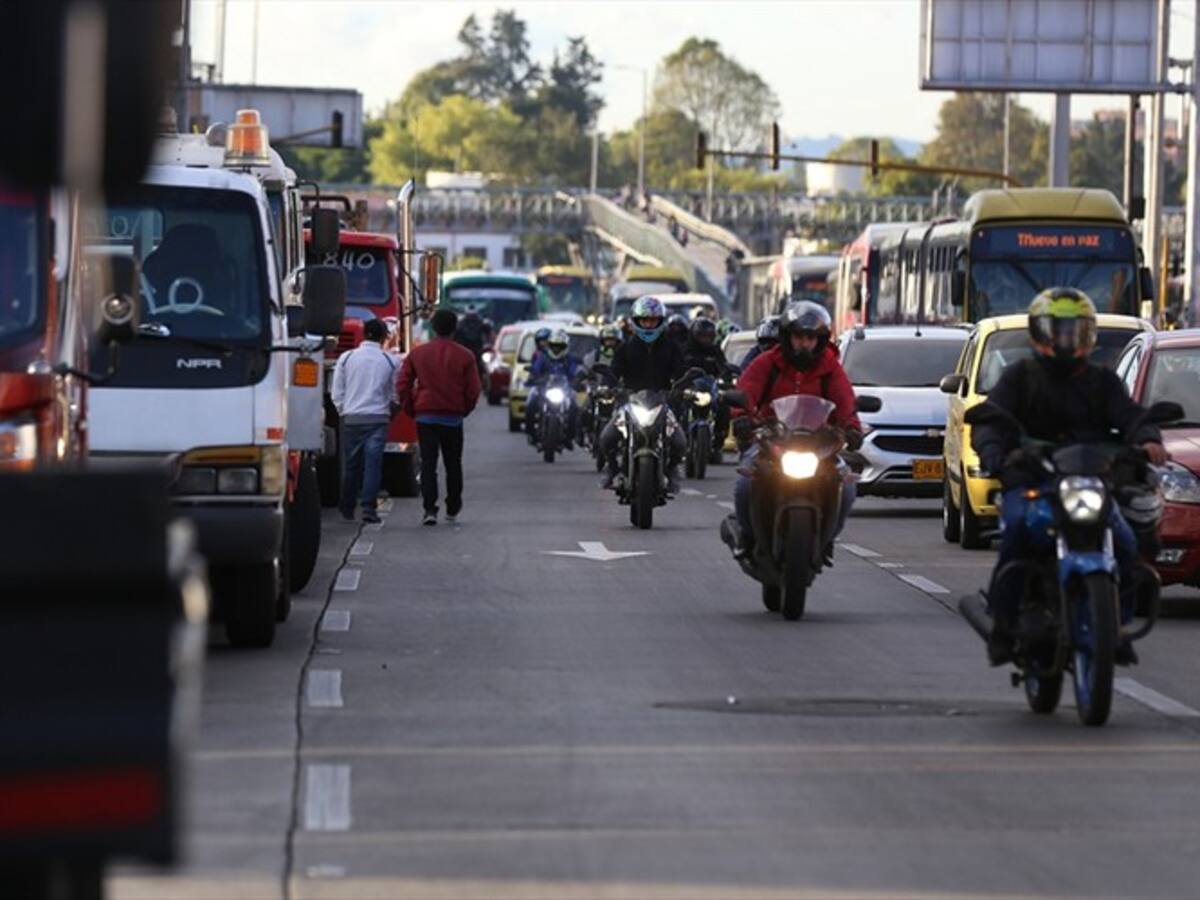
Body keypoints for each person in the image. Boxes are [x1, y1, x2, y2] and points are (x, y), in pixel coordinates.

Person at [971, 288, 1169, 665]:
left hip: (1088, 480)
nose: (1066, 340)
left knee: (1127, 543)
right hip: (1035, 478)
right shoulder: (1019, 377)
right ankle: (1003, 624)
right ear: (1039, 333)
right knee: (1016, 531)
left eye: (1074, 332)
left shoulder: (1102, 381)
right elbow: (992, 418)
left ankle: (1117, 624)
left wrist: (1147, 440)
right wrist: (995, 451)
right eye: (1058, 331)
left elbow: (1130, 416)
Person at [732, 301, 862, 560]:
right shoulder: (766, 363)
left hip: (819, 444)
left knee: (846, 489)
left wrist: (852, 429)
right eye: (799, 337)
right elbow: (745, 393)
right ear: (787, 337)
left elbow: (846, 402)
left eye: (811, 338)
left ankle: (826, 541)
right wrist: (742, 418)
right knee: (745, 485)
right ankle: (747, 537)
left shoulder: (830, 368)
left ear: (821, 340)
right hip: (771, 440)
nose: (805, 343)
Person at [397, 308, 482, 526]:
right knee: (453, 464)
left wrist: (411, 408)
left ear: (433, 328)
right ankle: (453, 506)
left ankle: (429, 509)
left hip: (425, 417)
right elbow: (473, 390)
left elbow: (403, 385)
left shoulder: (417, 354)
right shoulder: (465, 355)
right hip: (453, 418)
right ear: (455, 328)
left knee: (428, 465)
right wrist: (463, 409)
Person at [599, 296, 688, 492]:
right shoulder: (626, 347)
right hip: (630, 402)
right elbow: (614, 371)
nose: (648, 325)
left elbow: (681, 372)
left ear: (660, 321)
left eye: (653, 320)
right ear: (636, 321)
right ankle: (613, 469)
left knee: (680, 442)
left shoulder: (671, 347)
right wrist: (607, 386)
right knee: (607, 437)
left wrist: (683, 388)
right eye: (644, 320)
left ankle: (672, 470)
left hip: (661, 402)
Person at [331, 318, 398, 524]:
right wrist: (389, 411)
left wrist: (344, 410)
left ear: (363, 334)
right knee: (373, 464)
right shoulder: (391, 361)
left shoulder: (346, 357)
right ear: (383, 337)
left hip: (352, 418)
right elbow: (395, 394)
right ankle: (369, 508)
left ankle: (347, 507)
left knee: (351, 465)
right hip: (378, 418)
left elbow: (337, 392)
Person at [524, 329, 582, 444]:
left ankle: (570, 437)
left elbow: (574, 373)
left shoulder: (569, 359)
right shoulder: (543, 357)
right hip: (544, 389)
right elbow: (535, 369)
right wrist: (533, 377)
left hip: (563, 390)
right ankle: (531, 433)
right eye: (554, 346)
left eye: (559, 346)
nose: (556, 349)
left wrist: (578, 381)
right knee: (530, 405)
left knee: (575, 408)